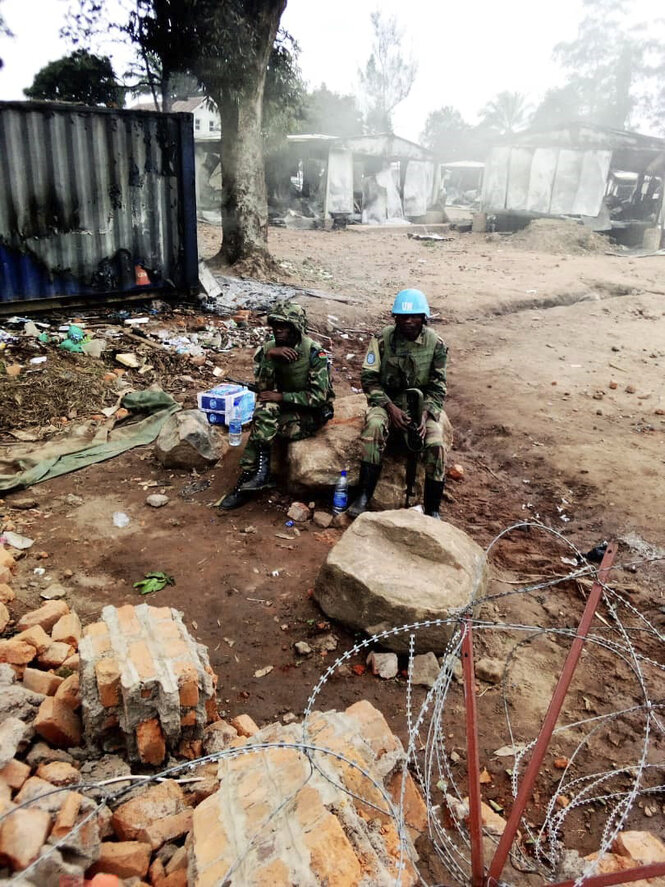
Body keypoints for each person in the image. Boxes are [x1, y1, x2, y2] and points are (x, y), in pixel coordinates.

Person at [220, 301, 334, 510]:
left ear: (297, 327)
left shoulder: (314, 353)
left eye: (285, 325)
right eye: (275, 325)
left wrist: (282, 397)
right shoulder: (269, 349)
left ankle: (248, 479)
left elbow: (318, 397)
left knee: (261, 426)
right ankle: (255, 477)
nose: (279, 329)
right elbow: (264, 390)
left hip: (308, 414)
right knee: (264, 412)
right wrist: (271, 358)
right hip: (281, 409)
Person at [348, 288, 448, 519]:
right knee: (373, 428)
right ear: (395, 318)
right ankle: (364, 495)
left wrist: (425, 415)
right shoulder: (382, 339)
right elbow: (369, 378)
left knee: (436, 444)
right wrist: (389, 408)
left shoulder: (436, 344)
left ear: (424, 318)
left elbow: (438, 386)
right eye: (403, 316)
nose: (408, 321)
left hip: (419, 405)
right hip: (387, 402)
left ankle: (433, 508)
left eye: (414, 316)